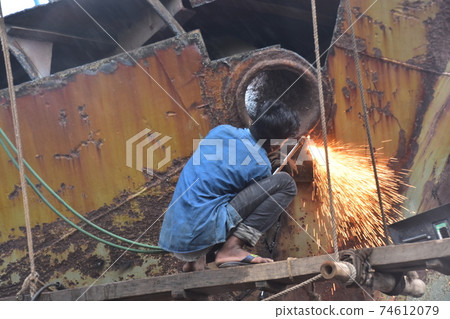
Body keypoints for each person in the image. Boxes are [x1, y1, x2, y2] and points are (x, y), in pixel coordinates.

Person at [158, 99, 299, 272]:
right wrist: (270, 171)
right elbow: (248, 206)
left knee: (211, 195)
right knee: (285, 184)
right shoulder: (260, 165)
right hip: (199, 236)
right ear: (277, 142)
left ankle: (194, 262)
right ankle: (231, 249)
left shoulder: (220, 131)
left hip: (174, 236)